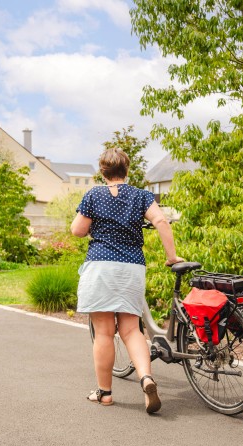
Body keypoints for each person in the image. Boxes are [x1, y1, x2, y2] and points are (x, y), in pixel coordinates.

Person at [71, 148, 183, 413]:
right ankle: (146, 378)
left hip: (101, 266)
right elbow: (161, 221)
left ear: (103, 171)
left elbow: (77, 230)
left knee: (104, 332)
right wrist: (172, 256)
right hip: (132, 267)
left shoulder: (93, 195)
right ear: (127, 170)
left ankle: (105, 393)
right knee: (132, 330)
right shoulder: (142, 195)